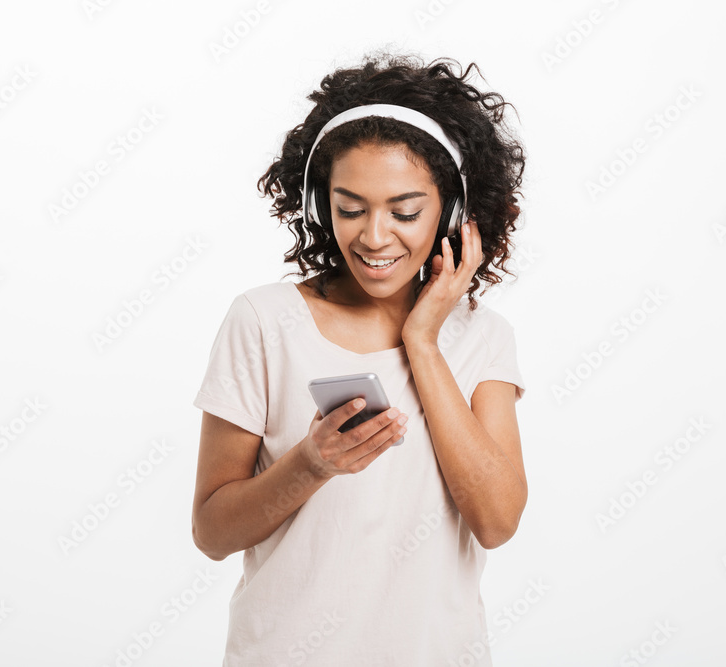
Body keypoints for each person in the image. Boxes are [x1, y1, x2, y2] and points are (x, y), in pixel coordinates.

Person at [191, 50, 528, 666]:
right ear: (323, 205)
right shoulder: (264, 321)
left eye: (405, 212)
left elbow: (497, 521)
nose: (374, 237)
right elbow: (212, 533)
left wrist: (422, 342)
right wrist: (311, 464)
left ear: (451, 212)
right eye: (351, 208)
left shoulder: (484, 338)